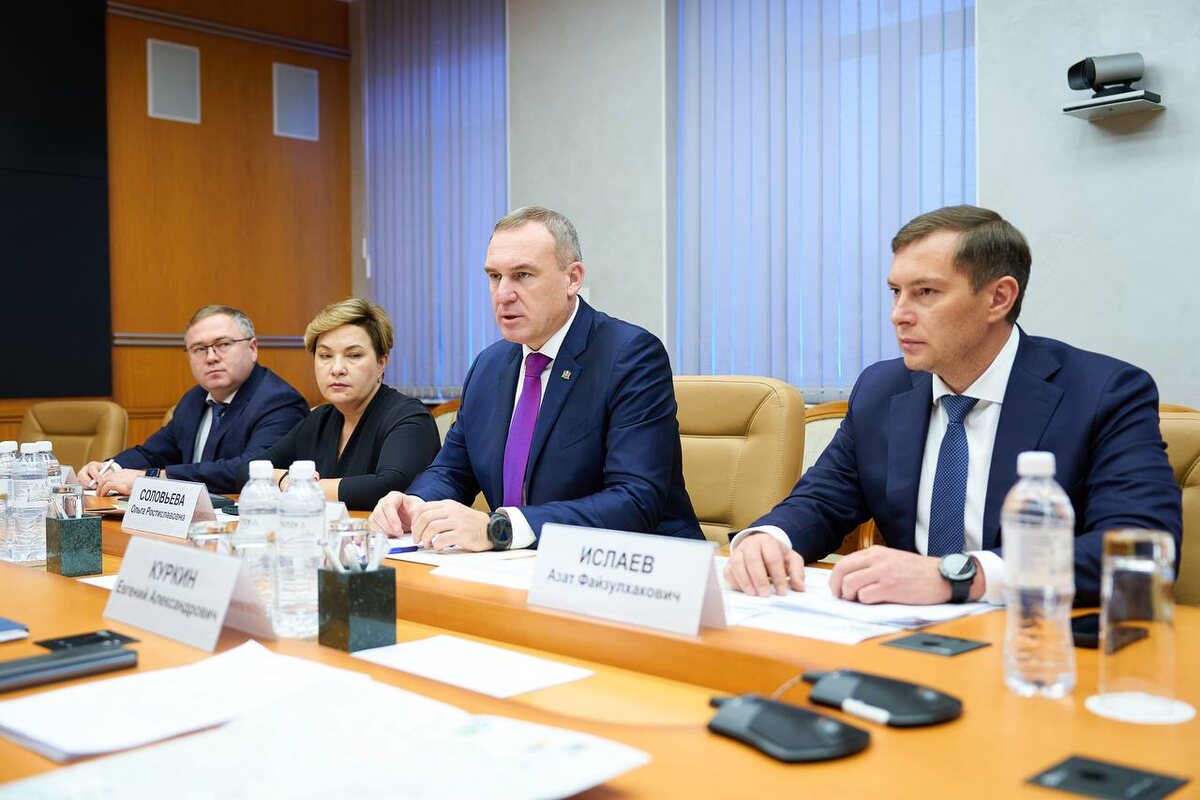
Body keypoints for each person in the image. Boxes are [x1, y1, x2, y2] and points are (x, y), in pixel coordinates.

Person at [724, 205, 1181, 607]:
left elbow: (1138, 548)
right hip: (907, 634)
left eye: (925, 292)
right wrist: (770, 537)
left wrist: (957, 576)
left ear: (998, 298)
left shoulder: (1104, 393)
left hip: (1036, 634)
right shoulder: (882, 389)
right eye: (895, 291)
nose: (899, 314)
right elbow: (823, 500)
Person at [370, 206, 701, 550]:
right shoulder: (488, 365)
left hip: (636, 564)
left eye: (523, 275)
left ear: (573, 278)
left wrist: (501, 528)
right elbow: (452, 471)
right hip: (518, 565)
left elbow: (634, 501)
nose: (503, 294)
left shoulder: (629, 356)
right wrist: (416, 504)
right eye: (495, 276)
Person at [79, 305, 310, 495]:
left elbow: (250, 470)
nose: (211, 357)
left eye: (223, 345)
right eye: (199, 349)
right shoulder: (194, 399)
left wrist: (153, 478)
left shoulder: (279, 401)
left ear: (252, 348)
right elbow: (153, 453)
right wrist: (109, 468)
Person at [256, 298, 441, 510]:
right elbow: (249, 470)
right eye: (325, 355)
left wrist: (302, 487)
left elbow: (389, 487)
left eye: (353, 355)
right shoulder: (320, 418)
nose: (336, 369)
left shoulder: (410, 417)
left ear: (381, 363)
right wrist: (284, 479)